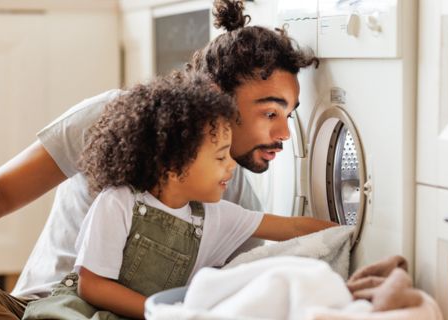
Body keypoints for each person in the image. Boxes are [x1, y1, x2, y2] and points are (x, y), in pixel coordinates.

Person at [0, 0, 318, 319]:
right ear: (214, 93)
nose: (282, 134)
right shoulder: (118, 118)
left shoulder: (231, 194)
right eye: (269, 112)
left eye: (289, 116)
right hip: (39, 309)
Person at [21, 72, 335, 320]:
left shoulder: (216, 214)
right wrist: (161, 312)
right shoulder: (118, 202)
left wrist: (351, 232)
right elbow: (92, 286)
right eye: (221, 157)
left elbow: (291, 228)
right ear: (174, 164)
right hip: (82, 312)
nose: (231, 167)